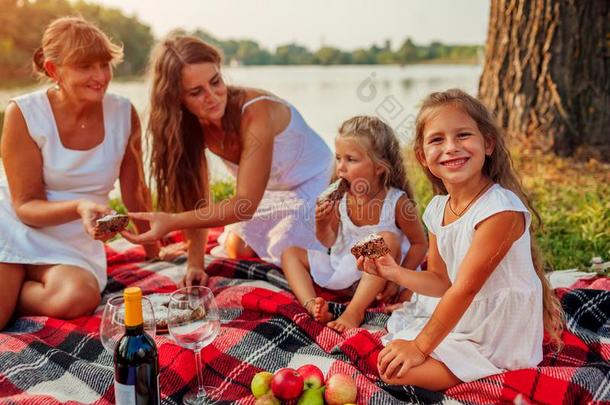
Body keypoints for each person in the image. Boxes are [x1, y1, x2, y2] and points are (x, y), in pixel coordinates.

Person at [360, 89, 564, 390]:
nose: (451, 148)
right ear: (423, 157)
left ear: (488, 144)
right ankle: (449, 354)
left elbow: (465, 289)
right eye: (437, 140)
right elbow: (441, 281)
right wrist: (394, 272)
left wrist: (419, 348)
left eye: (463, 135)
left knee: (396, 372)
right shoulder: (439, 208)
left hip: (498, 332)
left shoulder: (500, 211)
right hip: (465, 315)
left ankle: (484, 369)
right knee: (387, 357)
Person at [121, 35, 333, 287]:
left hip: (316, 182)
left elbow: (244, 205)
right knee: (237, 250)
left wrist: (173, 221)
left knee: (288, 248)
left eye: (215, 82)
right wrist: (195, 263)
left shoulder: (256, 112)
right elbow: (195, 196)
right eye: (196, 92)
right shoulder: (190, 127)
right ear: (176, 98)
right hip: (274, 192)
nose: (212, 96)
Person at [0, 17, 159, 330]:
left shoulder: (123, 113)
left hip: (75, 238)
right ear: (53, 70)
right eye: (85, 66)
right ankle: (13, 275)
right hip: (14, 224)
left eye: (104, 64)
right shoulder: (24, 113)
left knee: (78, 298)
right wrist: (79, 206)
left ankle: (17, 289)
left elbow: (135, 190)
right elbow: (26, 206)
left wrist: (154, 248)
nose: (100, 76)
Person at [281, 116, 428, 332]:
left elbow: (420, 244)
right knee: (289, 254)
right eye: (338, 157)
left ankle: (354, 312)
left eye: (351, 159)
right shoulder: (341, 199)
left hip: (382, 276)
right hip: (345, 269)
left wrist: (398, 280)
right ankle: (312, 305)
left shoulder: (396, 201)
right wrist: (322, 223)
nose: (341, 168)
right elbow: (329, 241)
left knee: (387, 239)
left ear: (379, 167)